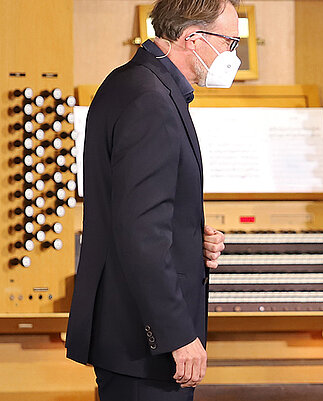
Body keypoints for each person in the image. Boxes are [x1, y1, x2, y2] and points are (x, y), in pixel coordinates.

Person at [65, 0, 239, 399]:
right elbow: (141, 231)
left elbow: (138, 210)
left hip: (132, 333)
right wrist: (177, 334)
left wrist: (191, 235)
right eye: (229, 42)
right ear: (193, 39)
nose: (233, 56)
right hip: (142, 344)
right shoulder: (150, 99)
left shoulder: (137, 82)